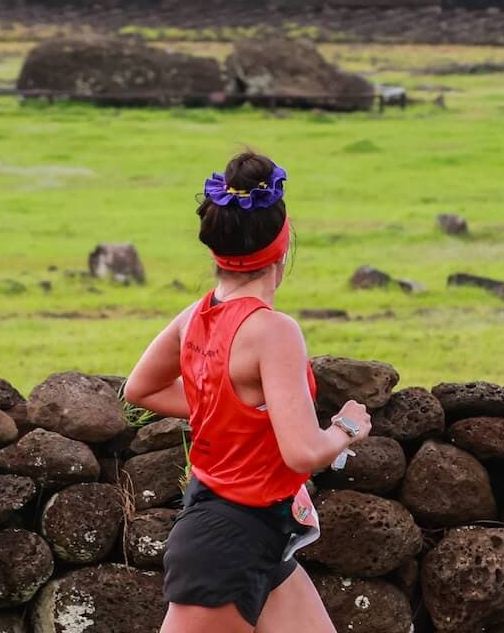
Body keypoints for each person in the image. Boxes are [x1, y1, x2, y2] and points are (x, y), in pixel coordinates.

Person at [124, 151, 372, 633]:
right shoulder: (274, 331)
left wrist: (227, 407)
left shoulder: (193, 317)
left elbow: (141, 388)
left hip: (263, 540)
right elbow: (303, 452)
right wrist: (347, 427)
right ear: (281, 248)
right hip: (225, 546)